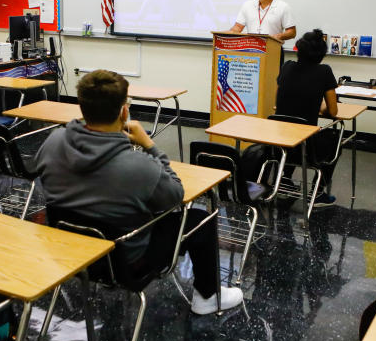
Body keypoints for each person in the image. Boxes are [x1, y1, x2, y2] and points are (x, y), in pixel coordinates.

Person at [36, 69, 243, 315]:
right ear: (124, 110)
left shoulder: (53, 142)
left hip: (68, 254)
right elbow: (175, 195)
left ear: (81, 106)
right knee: (200, 218)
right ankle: (207, 297)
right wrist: (150, 145)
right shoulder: (138, 167)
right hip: (125, 265)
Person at [276, 29, 338, 125]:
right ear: (322, 54)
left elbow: (277, 102)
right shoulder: (325, 71)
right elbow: (333, 112)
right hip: (305, 135)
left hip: (278, 132)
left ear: (299, 49)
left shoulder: (286, 66)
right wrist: (321, 108)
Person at [229, 0, 296, 44]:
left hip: (273, 49)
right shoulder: (247, 5)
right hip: (251, 49)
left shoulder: (283, 6)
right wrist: (225, 35)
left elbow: (292, 32)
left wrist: (278, 36)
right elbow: (238, 27)